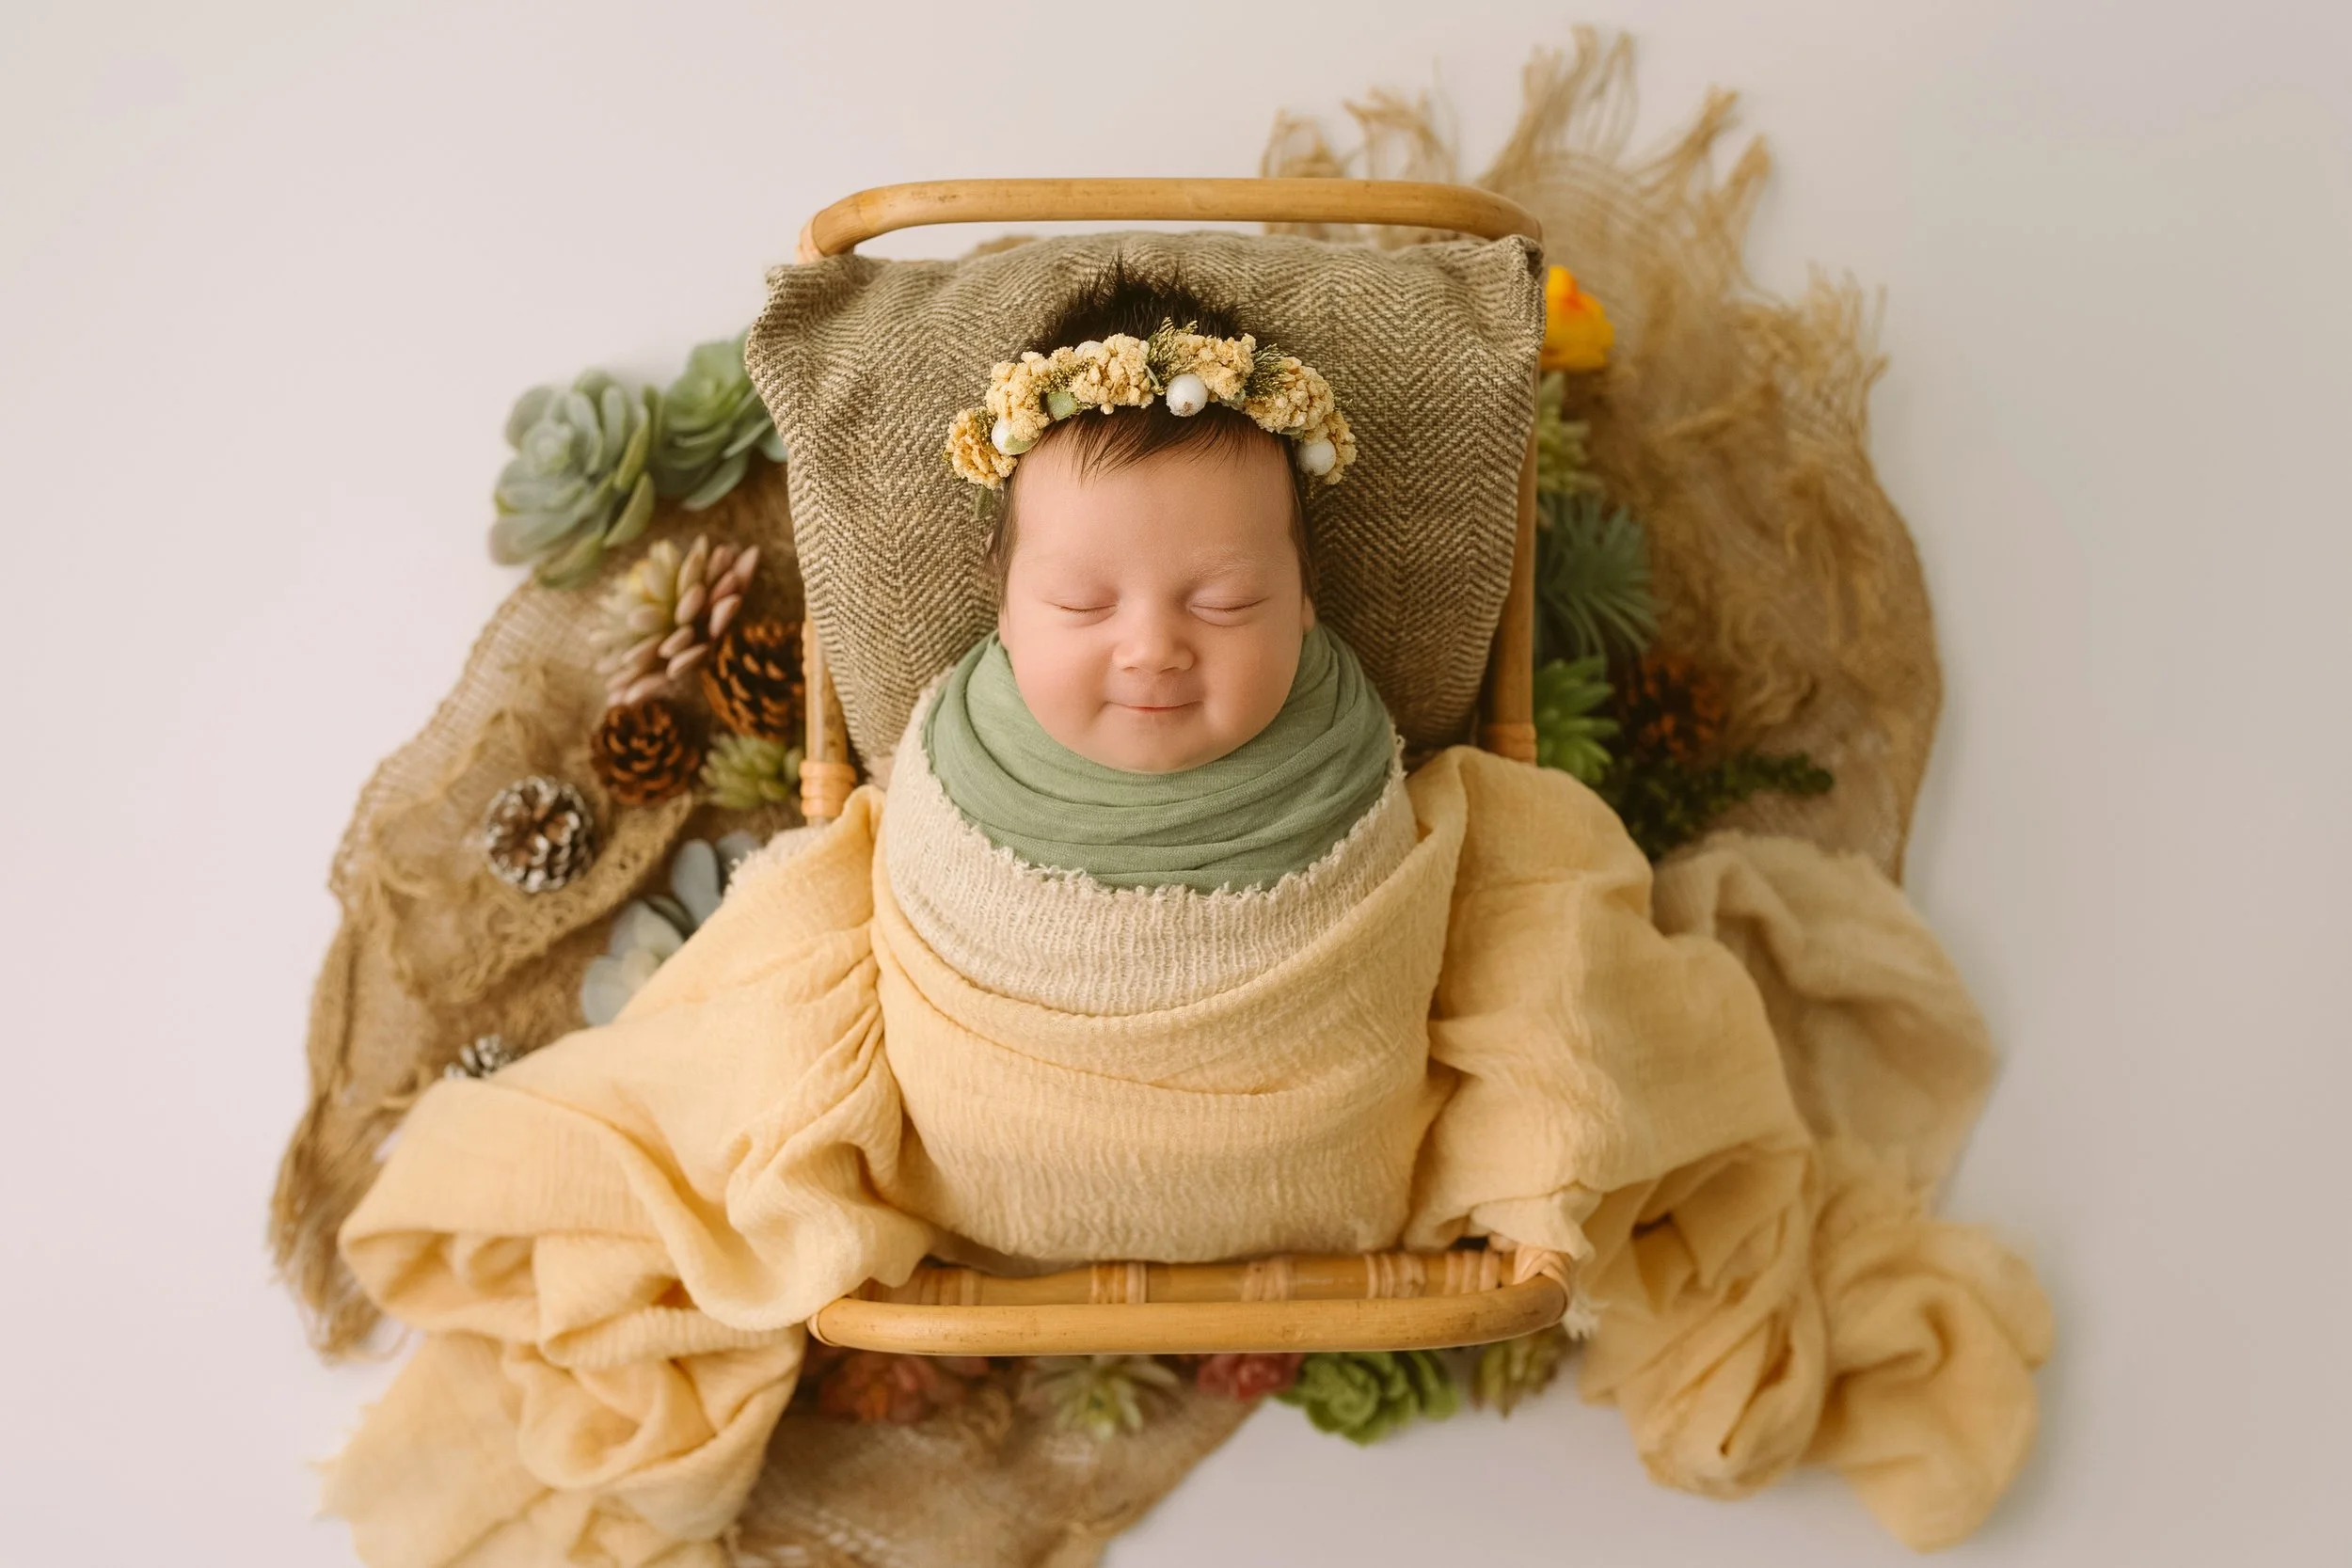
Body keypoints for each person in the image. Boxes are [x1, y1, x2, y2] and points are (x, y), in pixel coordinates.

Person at [323, 270, 2047, 1568]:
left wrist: (1554, 1101)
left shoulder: (1366, 757)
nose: (1153, 643)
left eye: (1228, 598)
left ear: (1309, 593)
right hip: (970, 1137)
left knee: (1563, 939)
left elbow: (1519, 925)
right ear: (1000, 601)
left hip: (1334, 1116)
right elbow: (806, 954)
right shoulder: (949, 762)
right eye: (1081, 599)